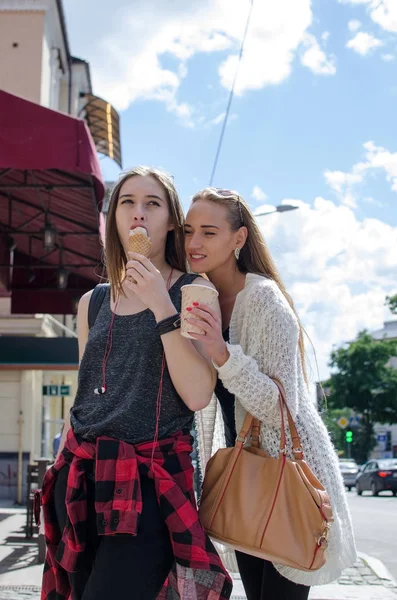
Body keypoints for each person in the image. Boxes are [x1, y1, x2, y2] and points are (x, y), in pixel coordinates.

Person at [39, 169, 232, 600]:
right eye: (127, 202)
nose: (138, 213)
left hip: (147, 482)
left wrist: (161, 306)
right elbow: (85, 391)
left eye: (152, 203)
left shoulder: (193, 290)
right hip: (81, 476)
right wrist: (61, 463)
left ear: (170, 222)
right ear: (113, 219)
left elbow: (199, 394)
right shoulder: (94, 301)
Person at [184, 188, 356, 600]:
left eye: (209, 232)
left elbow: (282, 410)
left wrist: (221, 352)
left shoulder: (264, 301)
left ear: (238, 239)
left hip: (290, 478)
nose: (194, 243)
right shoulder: (200, 295)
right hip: (248, 475)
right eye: (189, 231)